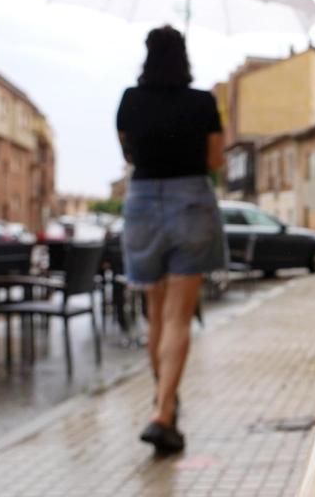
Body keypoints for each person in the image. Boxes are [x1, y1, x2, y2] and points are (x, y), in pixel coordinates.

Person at [116, 25, 225, 454]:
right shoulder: (203, 102)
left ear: (147, 56)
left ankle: (163, 401)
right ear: (184, 58)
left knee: (155, 314)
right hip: (191, 203)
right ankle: (163, 413)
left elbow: (128, 154)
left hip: (142, 203)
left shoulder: (130, 100)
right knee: (180, 316)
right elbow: (216, 160)